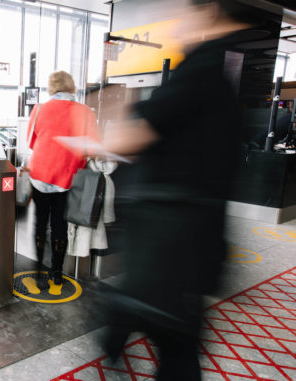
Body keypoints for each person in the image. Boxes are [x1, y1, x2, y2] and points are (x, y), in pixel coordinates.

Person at [98, 0, 252, 379]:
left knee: (172, 340)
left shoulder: (197, 72)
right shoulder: (223, 80)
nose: (175, 24)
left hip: (169, 242)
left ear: (208, 11)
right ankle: (117, 330)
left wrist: (116, 109)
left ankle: (116, 331)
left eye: (183, 13)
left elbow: (128, 140)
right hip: (195, 241)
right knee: (178, 344)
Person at [26, 71, 99, 286]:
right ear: (71, 86)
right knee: (59, 226)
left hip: (40, 174)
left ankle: (38, 271)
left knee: (40, 223)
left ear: (52, 87)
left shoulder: (38, 109)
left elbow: (32, 142)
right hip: (67, 177)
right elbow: (93, 147)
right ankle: (56, 273)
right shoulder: (85, 112)